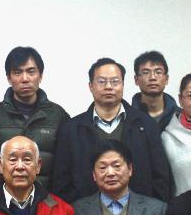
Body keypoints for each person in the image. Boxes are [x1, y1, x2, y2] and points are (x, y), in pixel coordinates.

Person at [52, 58, 172, 203]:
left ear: (123, 85)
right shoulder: (71, 129)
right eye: (102, 81)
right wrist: (80, 211)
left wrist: (151, 211)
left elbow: (161, 177)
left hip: (141, 213)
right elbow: (61, 182)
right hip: (86, 214)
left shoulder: (146, 124)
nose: (108, 87)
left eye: (115, 81)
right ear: (91, 86)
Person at [0, 46, 70, 192]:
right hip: (2, 199)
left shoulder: (58, 116)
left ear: (40, 76)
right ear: (9, 78)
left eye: (31, 71)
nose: (25, 79)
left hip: (47, 199)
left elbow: (66, 165)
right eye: (17, 72)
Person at [129, 50, 178, 130]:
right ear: (136, 80)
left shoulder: (180, 117)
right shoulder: (127, 118)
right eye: (146, 73)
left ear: (166, 79)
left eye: (158, 72)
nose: (152, 77)